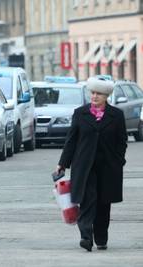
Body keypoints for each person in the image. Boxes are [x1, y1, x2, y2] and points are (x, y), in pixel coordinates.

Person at [56, 76, 127, 252]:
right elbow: (71, 141)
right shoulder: (80, 113)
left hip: (108, 167)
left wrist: (119, 160)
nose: (94, 96)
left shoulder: (116, 115)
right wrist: (63, 163)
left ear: (106, 96)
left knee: (104, 203)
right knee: (87, 201)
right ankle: (86, 237)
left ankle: (101, 238)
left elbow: (122, 141)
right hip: (84, 167)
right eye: (93, 93)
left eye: (99, 94)